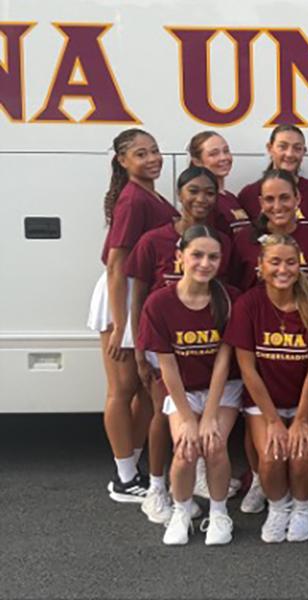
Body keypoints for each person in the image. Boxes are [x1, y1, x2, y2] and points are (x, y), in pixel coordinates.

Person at [127, 165, 232, 523]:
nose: (202, 198)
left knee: (203, 423)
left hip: (201, 344)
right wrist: (139, 349)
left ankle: (198, 479)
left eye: (209, 192)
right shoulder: (153, 240)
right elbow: (138, 294)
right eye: (194, 191)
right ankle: (157, 489)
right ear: (179, 194)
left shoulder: (219, 240)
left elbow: (221, 293)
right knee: (163, 414)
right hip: (163, 344)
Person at [229, 168, 308, 514]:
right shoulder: (244, 240)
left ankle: (299, 506)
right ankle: (261, 479)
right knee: (261, 437)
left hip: (301, 328)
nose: (277, 205)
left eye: (284, 197)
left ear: (298, 199)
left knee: (301, 455)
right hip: (257, 332)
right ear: (259, 204)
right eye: (269, 199)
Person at [225, 233, 308, 543]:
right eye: (274, 262)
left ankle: (302, 509)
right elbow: (247, 368)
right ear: (261, 265)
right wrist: (274, 421)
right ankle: (278, 507)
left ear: (300, 265)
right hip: (266, 401)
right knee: (272, 458)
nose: (283, 269)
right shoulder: (249, 304)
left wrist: (300, 420)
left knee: (301, 456)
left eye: (291, 262)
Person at [136, 225, 242, 545]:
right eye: (197, 255)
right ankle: (181, 511)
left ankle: (220, 513)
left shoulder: (229, 298)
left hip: (222, 388)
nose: (205, 263)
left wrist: (208, 416)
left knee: (214, 444)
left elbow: (224, 362)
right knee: (185, 448)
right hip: (182, 388)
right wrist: (187, 418)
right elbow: (167, 367)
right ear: (180, 257)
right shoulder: (159, 304)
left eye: (213, 257)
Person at [87, 128, 178, 502]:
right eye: (141, 154)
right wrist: (121, 323)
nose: (152, 158)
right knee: (122, 390)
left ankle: (133, 468)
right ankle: (124, 478)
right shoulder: (131, 199)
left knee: (144, 387)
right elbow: (115, 263)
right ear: (123, 161)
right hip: (121, 297)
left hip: (138, 295)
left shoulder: (147, 194)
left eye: (155, 151)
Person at [237, 125, 308, 227]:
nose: (290, 154)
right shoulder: (249, 194)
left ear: (304, 152)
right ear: (270, 148)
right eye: (283, 147)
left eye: (297, 148)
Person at [188, 131, 251, 235]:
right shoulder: (203, 201)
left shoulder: (231, 197)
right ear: (197, 162)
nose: (223, 158)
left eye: (226, 151)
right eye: (214, 154)